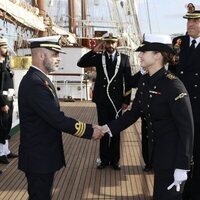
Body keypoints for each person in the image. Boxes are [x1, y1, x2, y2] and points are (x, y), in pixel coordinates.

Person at [98, 34, 194, 200]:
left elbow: (187, 128)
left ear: (158, 55)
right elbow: (134, 113)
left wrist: (182, 166)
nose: (140, 55)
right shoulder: (145, 81)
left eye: (144, 52)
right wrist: (107, 128)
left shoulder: (173, 85)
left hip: (173, 157)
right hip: (156, 154)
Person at [18, 35, 103, 200]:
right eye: (55, 54)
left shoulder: (39, 79)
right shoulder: (35, 83)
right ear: (41, 55)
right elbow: (57, 119)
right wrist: (90, 130)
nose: (58, 59)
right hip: (39, 158)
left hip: (42, 156)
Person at [77, 32, 132, 170]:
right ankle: (103, 159)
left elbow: (128, 81)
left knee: (116, 130)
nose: (110, 45)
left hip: (117, 101)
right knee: (102, 130)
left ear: (117, 43)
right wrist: (93, 51)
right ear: (104, 44)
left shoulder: (124, 59)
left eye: (112, 42)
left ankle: (115, 160)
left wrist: (126, 100)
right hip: (102, 100)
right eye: (107, 43)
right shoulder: (98, 57)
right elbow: (80, 63)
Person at [169, 3, 200, 200]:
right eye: (189, 20)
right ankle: (179, 192)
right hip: (180, 107)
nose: (190, 24)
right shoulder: (177, 43)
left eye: (195, 21)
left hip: (199, 110)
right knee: (180, 152)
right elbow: (169, 73)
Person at [0, 36, 18, 168]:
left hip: (10, 99)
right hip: (3, 101)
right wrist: (2, 104)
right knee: (1, 128)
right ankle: (1, 154)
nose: (7, 49)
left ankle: (6, 151)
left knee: (7, 126)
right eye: (4, 47)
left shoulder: (5, 64)